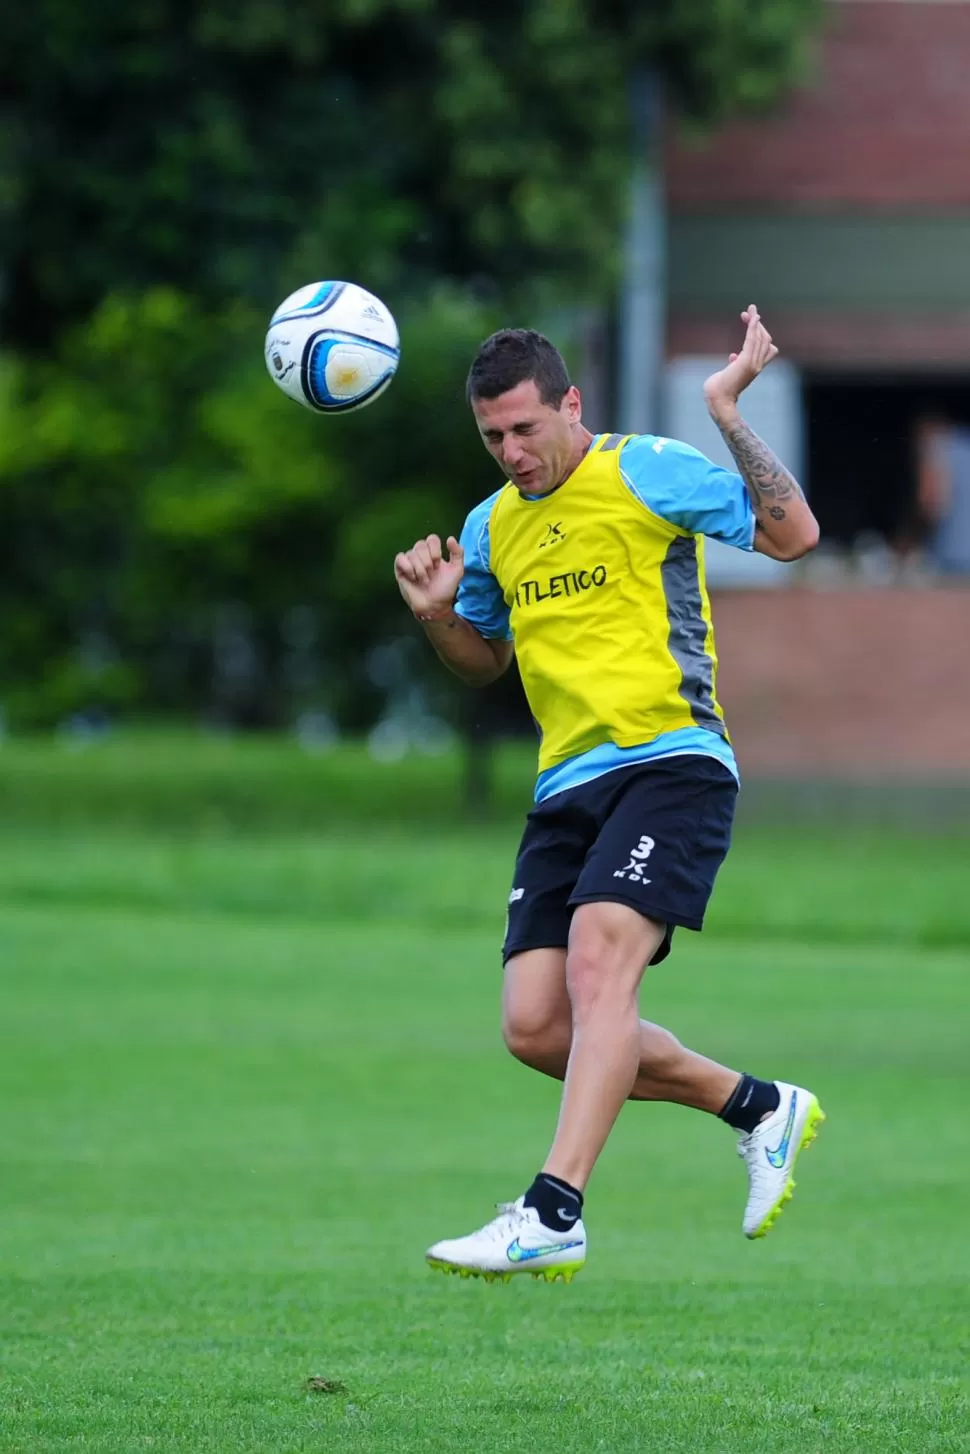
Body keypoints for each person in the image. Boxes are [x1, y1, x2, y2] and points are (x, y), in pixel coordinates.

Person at [394, 305, 823, 1284]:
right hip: (564, 788)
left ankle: (553, 1208)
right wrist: (434, 616)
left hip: (672, 762)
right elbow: (481, 661)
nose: (511, 452)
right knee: (536, 1025)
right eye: (492, 436)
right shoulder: (490, 525)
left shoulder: (643, 470)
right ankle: (757, 1104)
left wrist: (724, 404)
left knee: (598, 968)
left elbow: (793, 533)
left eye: (525, 429)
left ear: (569, 404)